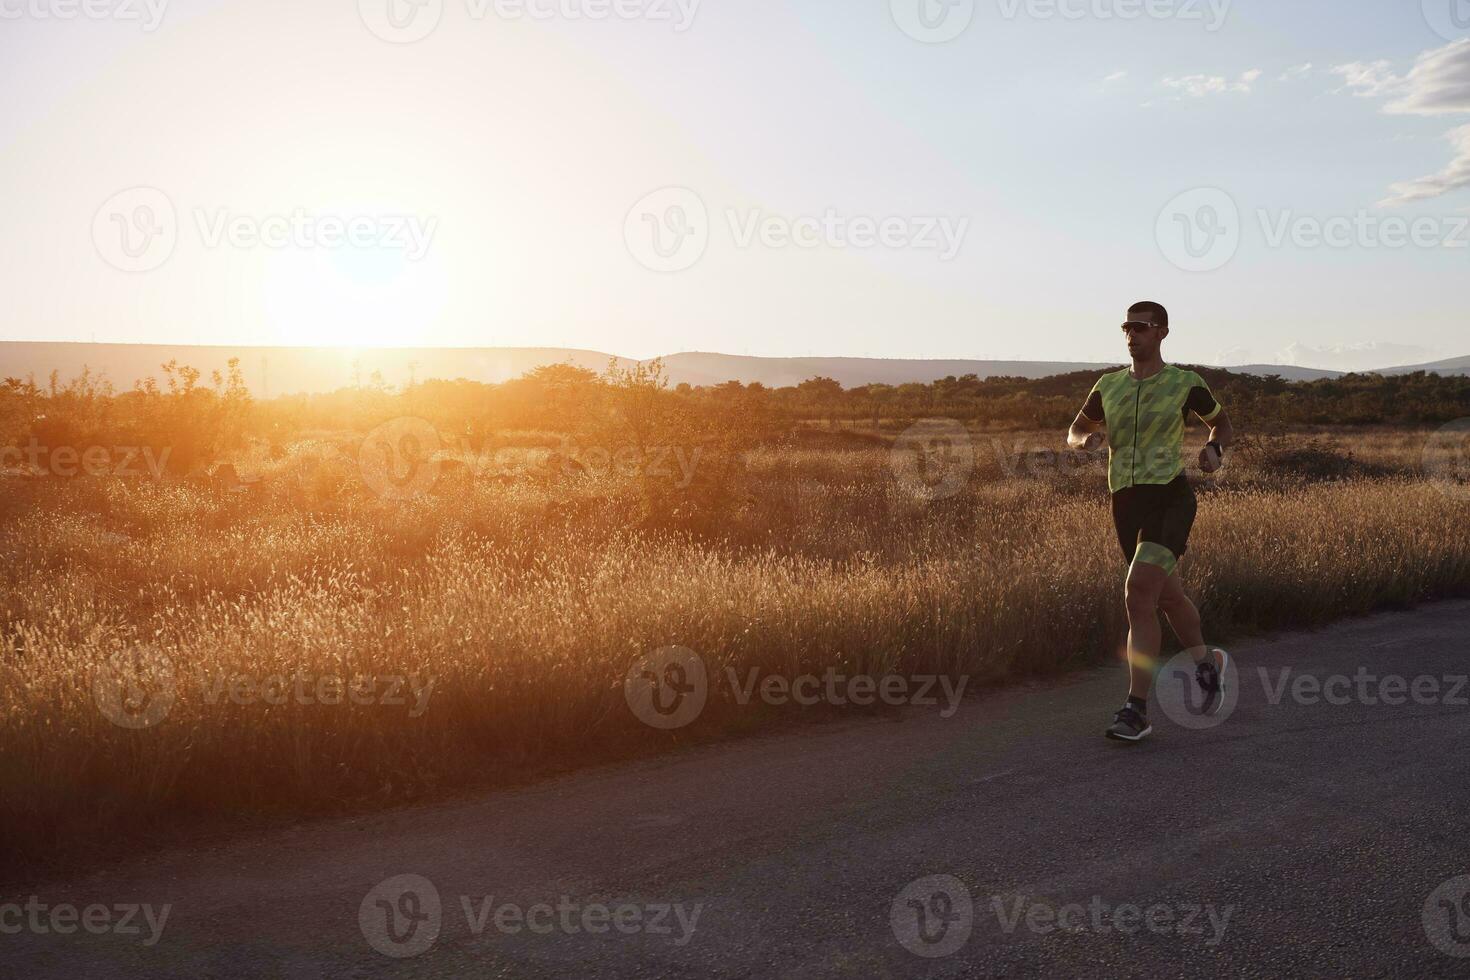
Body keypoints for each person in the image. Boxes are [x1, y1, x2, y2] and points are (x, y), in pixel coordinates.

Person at [1066, 301, 1235, 742]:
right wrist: (1086, 440)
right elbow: (1074, 429)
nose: (1131, 334)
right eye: (1127, 327)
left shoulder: (1185, 383)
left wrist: (1215, 451)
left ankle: (1135, 709)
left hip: (1169, 497)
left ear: (1161, 332)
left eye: (1140, 327)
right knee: (1166, 597)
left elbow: (1221, 424)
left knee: (1138, 591)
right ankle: (1207, 662)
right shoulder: (1107, 386)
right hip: (1124, 501)